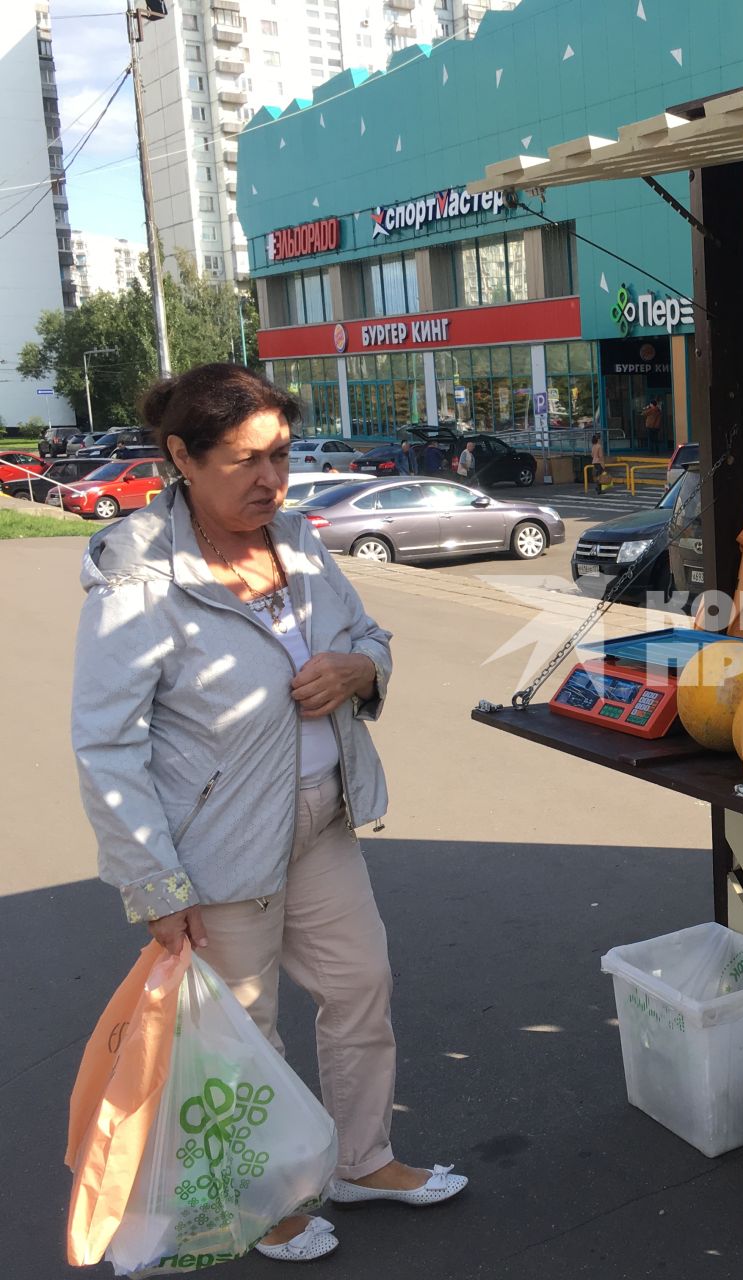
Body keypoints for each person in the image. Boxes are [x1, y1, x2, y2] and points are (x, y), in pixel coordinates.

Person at [70, 363, 467, 1265]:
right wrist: (152, 881)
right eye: (245, 461)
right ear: (181, 456)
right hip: (216, 852)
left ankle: (362, 1160)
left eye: (281, 455)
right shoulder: (141, 575)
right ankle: (264, 1205)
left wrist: (358, 672)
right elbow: (105, 743)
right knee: (243, 1039)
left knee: (361, 990)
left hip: (322, 822)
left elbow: (368, 637)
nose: (271, 480)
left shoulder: (299, 542)